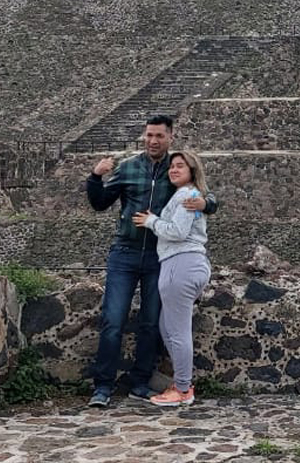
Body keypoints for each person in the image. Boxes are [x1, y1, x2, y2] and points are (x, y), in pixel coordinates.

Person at [85, 115, 216, 408]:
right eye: (149, 135)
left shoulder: (176, 170)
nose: (153, 141)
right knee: (113, 320)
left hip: (159, 257)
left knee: (150, 324)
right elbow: (100, 202)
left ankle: (140, 383)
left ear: (170, 137)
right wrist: (95, 177)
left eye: (159, 136)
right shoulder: (129, 167)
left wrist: (207, 203)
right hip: (125, 253)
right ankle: (103, 387)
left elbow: (205, 196)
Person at [134, 151, 211, 407]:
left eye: (181, 166)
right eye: (172, 166)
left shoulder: (187, 196)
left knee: (177, 331)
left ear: (192, 170)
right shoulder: (187, 195)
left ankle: (183, 388)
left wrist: (151, 221)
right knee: (167, 327)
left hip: (182, 262)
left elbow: (178, 232)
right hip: (179, 263)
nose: (174, 169)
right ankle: (181, 382)